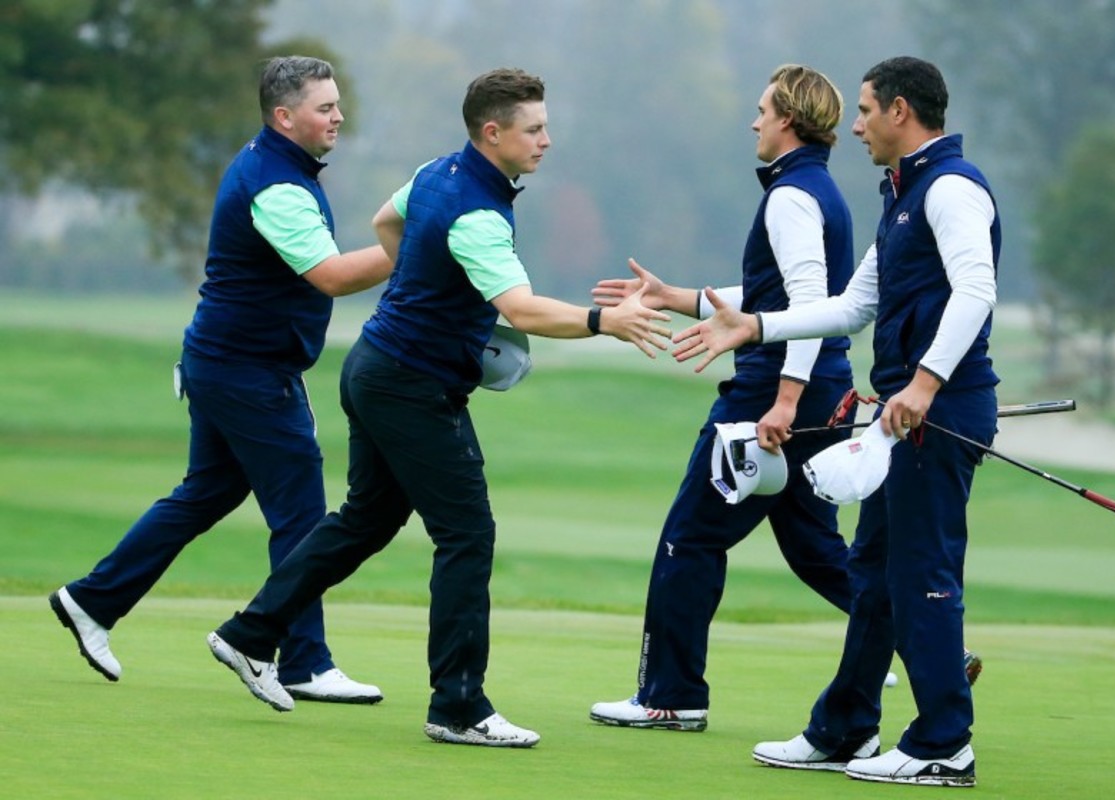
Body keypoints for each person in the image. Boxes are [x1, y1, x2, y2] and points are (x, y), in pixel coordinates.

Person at [203, 68, 672, 748]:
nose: (547, 140)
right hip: (410, 387)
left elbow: (384, 220)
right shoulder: (478, 212)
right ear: (493, 132)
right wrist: (606, 321)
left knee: (365, 519)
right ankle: (457, 705)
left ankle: (251, 634)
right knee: (467, 534)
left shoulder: (436, 173)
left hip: (375, 369)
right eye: (534, 129)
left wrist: (426, 274)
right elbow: (522, 309)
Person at [672, 56, 999, 787]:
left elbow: (976, 288)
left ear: (902, 111)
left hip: (935, 410)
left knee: (921, 574)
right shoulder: (905, 194)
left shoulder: (950, 188)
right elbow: (853, 307)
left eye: (865, 109)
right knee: (874, 572)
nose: (854, 125)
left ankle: (944, 742)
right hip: (901, 415)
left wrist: (923, 383)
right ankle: (844, 727)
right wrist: (755, 325)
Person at [50, 55, 393, 704]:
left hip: (220, 360)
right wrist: (415, 247)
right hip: (249, 373)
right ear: (284, 116)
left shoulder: (273, 165)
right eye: (325, 108)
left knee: (205, 493)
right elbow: (335, 277)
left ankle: (92, 600)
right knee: (301, 513)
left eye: (338, 104)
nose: (339, 117)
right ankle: (303, 660)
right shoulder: (278, 186)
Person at [587, 65, 861, 732]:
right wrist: (670, 297)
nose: (754, 120)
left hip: (771, 395)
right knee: (816, 548)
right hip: (819, 389)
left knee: (690, 537)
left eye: (763, 110)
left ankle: (671, 694)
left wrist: (785, 399)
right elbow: (770, 302)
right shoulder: (816, 191)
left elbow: (809, 306)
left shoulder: (791, 198)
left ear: (789, 121)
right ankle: (931, 643)